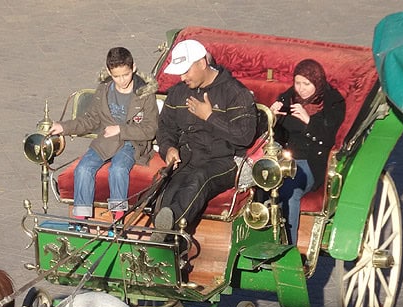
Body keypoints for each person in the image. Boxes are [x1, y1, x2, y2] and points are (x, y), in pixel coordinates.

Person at [153, 39, 257, 241]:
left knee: (199, 179)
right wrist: (169, 149)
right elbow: (165, 127)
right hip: (187, 158)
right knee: (169, 191)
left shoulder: (236, 93)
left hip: (224, 160)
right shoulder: (177, 93)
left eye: (186, 71)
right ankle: (167, 245)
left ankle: (168, 229)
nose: (182, 77)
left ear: (202, 63)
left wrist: (210, 117)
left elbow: (244, 136)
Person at [48, 47, 158, 228]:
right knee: (83, 169)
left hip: (131, 143)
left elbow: (150, 129)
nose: (122, 80)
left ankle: (118, 217)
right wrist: (63, 127)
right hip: (105, 142)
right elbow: (90, 120)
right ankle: (80, 220)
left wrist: (121, 130)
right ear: (109, 72)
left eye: (126, 75)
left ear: (134, 68)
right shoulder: (104, 90)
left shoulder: (144, 93)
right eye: (116, 76)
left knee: (119, 169)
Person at [269, 59, 345, 244]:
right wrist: (271, 118)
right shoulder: (288, 97)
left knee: (289, 190)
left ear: (317, 83)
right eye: (297, 83)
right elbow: (274, 136)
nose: (301, 89)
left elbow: (328, 139)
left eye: (307, 84)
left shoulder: (332, 102)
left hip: (311, 162)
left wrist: (308, 121)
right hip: (283, 158)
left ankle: (288, 245)